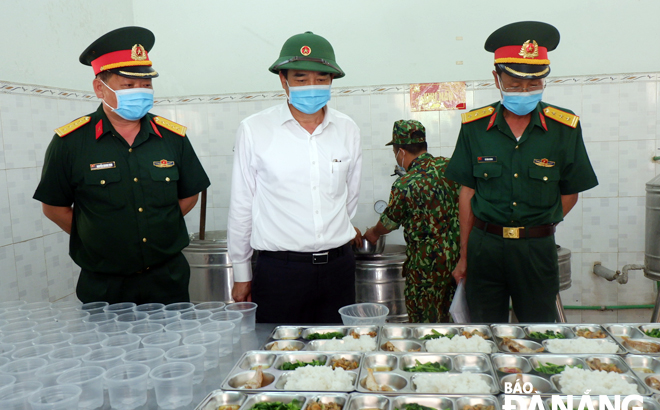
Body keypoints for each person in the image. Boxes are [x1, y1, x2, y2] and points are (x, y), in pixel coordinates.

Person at [33, 27, 210, 304]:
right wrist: (100, 235)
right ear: (100, 88)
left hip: (168, 279)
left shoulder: (173, 137)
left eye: (146, 85)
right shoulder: (70, 142)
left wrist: (158, 226)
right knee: (108, 348)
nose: (140, 92)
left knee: (174, 347)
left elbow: (190, 194)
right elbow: (54, 207)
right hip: (104, 284)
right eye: (128, 86)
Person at [445, 21, 598, 323]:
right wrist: (464, 255)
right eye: (514, 86)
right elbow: (467, 194)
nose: (524, 92)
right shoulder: (475, 127)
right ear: (496, 79)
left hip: (536, 249)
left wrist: (539, 225)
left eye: (533, 85)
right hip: (485, 247)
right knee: (485, 332)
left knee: (540, 331)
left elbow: (571, 192)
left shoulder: (564, 128)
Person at [228, 31, 362, 324]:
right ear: (283, 80)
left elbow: (349, 198)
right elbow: (242, 205)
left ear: (331, 82)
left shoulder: (347, 129)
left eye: (321, 79)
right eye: (301, 80)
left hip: (338, 269)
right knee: (280, 356)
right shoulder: (255, 129)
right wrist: (241, 273)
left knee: (340, 357)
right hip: (280, 272)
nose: (311, 86)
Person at [363, 120, 460, 323]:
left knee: (424, 322)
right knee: (454, 320)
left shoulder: (405, 183)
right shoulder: (451, 167)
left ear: (400, 152)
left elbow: (389, 222)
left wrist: (373, 233)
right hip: (457, 263)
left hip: (425, 267)